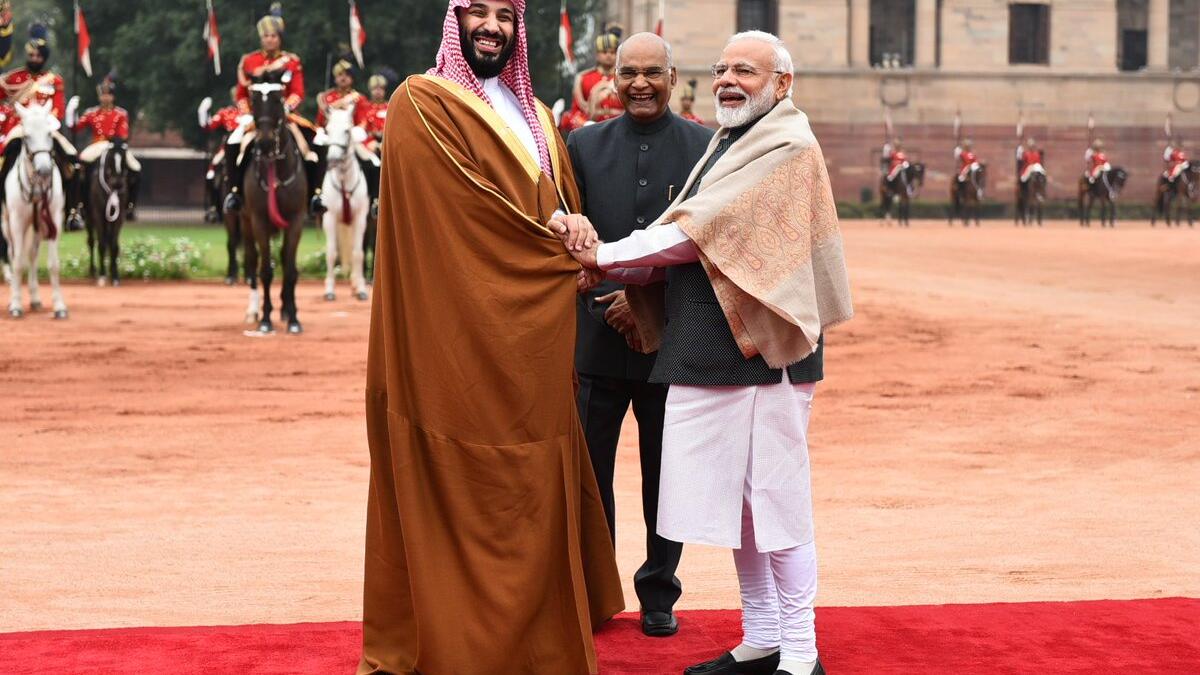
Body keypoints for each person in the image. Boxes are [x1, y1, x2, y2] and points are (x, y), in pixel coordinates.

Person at [556, 30, 852, 675]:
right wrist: (614, 269)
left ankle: (801, 655)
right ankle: (764, 637)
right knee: (745, 508)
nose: (727, 80)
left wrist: (605, 256)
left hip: (766, 354)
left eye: (745, 70)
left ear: (782, 84)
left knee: (776, 504)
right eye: (721, 68)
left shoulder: (785, 146)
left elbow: (695, 233)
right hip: (722, 354)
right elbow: (693, 242)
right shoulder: (734, 140)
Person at [358, 2, 624, 673]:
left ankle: (540, 626)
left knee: (537, 459)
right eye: (477, 12)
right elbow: (463, 213)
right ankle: (466, 634)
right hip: (457, 332)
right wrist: (557, 242)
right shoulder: (422, 103)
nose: (491, 26)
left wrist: (576, 228)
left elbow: (558, 200)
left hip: (535, 333)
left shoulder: (536, 114)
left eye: (504, 15)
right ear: (456, 21)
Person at [566, 31, 713, 640]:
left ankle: (659, 592)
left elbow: (709, 244)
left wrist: (644, 298)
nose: (641, 84)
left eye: (653, 73)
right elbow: (569, 237)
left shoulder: (706, 148)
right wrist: (608, 293)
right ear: (614, 79)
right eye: (630, 73)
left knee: (666, 477)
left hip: (670, 345)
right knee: (590, 477)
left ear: (673, 78)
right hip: (596, 337)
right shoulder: (582, 145)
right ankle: (596, 591)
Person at [222, 3, 326, 216]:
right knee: (233, 142)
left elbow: (298, 92)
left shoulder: (291, 62)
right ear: (261, 38)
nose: (269, 40)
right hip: (256, 117)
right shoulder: (249, 61)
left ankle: (315, 194)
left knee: (319, 141)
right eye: (266, 36)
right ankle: (234, 192)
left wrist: (286, 108)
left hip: (284, 116)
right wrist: (248, 113)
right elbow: (241, 93)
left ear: (280, 38)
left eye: (273, 36)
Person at [0, 23, 83, 231]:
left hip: (45, 127)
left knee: (71, 159)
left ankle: (72, 211)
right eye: (31, 55)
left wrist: (46, 122)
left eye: (38, 56)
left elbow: (58, 108)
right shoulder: (13, 78)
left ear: (44, 58)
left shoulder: (54, 80)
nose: (34, 59)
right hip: (20, 127)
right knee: (6, 157)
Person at [68, 73, 141, 221]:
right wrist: (71, 112)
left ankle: (130, 205)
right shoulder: (91, 113)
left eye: (108, 95)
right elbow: (75, 127)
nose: (105, 98)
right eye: (103, 95)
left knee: (136, 167)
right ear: (100, 97)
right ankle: (78, 205)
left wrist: (116, 142)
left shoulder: (121, 114)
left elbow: (123, 134)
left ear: (113, 97)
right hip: (97, 145)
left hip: (114, 146)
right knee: (79, 166)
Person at [315, 54, 380, 215]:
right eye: (339, 75)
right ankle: (317, 194)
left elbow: (363, 122)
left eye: (346, 75)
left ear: (351, 78)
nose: (343, 78)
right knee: (316, 156)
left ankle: (375, 200)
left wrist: (354, 131)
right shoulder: (327, 97)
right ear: (335, 78)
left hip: (351, 137)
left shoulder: (359, 98)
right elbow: (320, 121)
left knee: (373, 162)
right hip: (331, 137)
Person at [561, 25, 623, 132]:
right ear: (597, 54)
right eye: (604, 52)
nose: (609, 55)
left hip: (621, 129)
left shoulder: (624, 77)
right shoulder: (583, 78)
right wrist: (585, 124)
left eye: (613, 52)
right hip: (592, 131)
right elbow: (575, 112)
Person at [199, 87, 242, 222]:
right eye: (236, 96)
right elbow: (208, 126)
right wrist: (203, 112)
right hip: (229, 144)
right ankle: (214, 206)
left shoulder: (253, 111)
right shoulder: (226, 112)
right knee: (212, 170)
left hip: (247, 143)